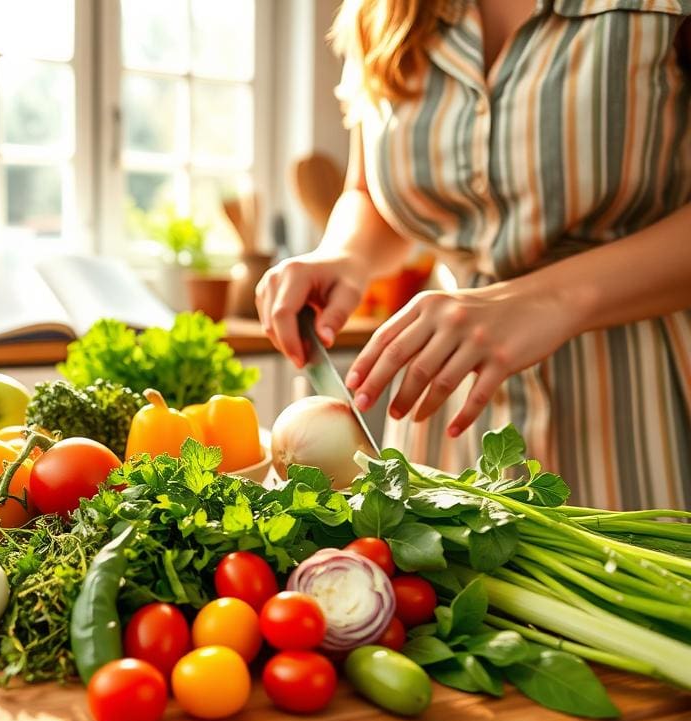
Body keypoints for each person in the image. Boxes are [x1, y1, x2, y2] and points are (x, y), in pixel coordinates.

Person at [256, 0, 691, 510]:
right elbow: (370, 192)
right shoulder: (381, 10)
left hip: (641, 400)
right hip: (445, 410)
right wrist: (344, 255)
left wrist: (545, 299)